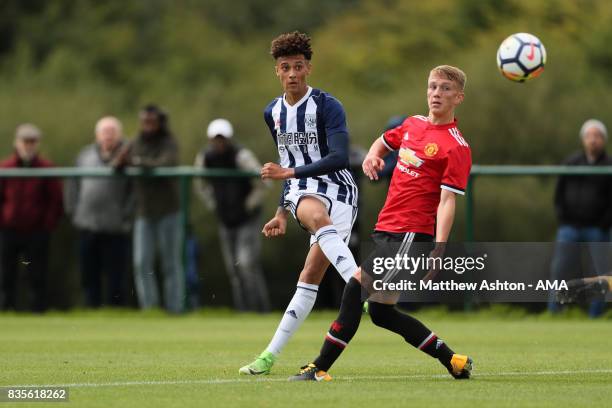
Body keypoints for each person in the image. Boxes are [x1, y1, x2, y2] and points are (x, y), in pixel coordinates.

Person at [289, 65, 473, 381]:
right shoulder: (412, 125)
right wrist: (373, 156)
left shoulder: (456, 147)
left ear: (459, 97)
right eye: (432, 87)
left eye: (444, 89)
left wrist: (440, 245)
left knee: (355, 289)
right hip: (389, 227)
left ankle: (320, 367)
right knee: (381, 313)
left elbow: (447, 201)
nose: (436, 94)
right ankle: (453, 360)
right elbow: (383, 142)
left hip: (411, 233)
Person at [239, 31, 359, 375]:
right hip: (302, 192)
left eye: (298, 66)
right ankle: (361, 285)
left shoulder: (327, 105)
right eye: (285, 67)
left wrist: (288, 172)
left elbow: (339, 158)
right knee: (314, 213)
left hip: (340, 191)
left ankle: (268, 357)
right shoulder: (272, 112)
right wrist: (281, 211)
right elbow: (286, 162)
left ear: (308, 68)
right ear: (277, 71)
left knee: (309, 276)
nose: (292, 73)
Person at [113, 105, 184, 314]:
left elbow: (165, 163)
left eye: (151, 122)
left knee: (171, 263)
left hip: (168, 210)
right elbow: (118, 163)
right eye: (144, 122)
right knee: (142, 262)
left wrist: (135, 162)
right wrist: (123, 162)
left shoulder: (168, 142)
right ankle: (150, 308)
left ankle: (175, 308)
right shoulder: (135, 141)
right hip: (144, 211)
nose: (147, 126)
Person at [194, 118, 270, 312]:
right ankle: (243, 310)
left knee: (246, 265)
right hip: (226, 219)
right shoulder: (206, 157)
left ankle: (259, 310)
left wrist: (248, 204)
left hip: (247, 219)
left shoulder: (241, 156)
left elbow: (263, 183)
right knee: (234, 269)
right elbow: (200, 185)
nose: (219, 143)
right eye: (215, 139)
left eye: (222, 138)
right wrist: (214, 204)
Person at [65, 116, 134, 307]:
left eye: (112, 132)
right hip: (87, 224)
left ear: (120, 135)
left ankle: (116, 312)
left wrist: (126, 217)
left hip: (116, 227)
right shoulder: (84, 155)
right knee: (89, 274)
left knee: (116, 275)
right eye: (105, 132)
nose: (108, 136)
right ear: (97, 135)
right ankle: (91, 309)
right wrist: (74, 212)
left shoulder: (128, 157)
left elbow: (134, 192)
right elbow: (72, 186)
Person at [549, 119, 612, 317]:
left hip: (598, 228)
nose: (593, 140)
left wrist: (604, 223)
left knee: (601, 274)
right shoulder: (571, 163)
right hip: (570, 227)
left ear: (604, 140)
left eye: (597, 136)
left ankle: (595, 315)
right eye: (589, 136)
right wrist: (564, 218)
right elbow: (559, 194)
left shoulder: (609, 165)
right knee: (560, 269)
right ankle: (554, 313)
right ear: (583, 139)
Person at [0, 124, 63, 312]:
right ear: (17, 143)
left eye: (32, 141)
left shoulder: (47, 168)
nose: (28, 145)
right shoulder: (5, 168)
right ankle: (5, 311)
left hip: (37, 231)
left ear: (38, 143)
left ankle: (38, 311)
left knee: (37, 275)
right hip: (8, 230)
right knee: (5, 274)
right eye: (25, 141)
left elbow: (55, 201)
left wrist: (46, 225)